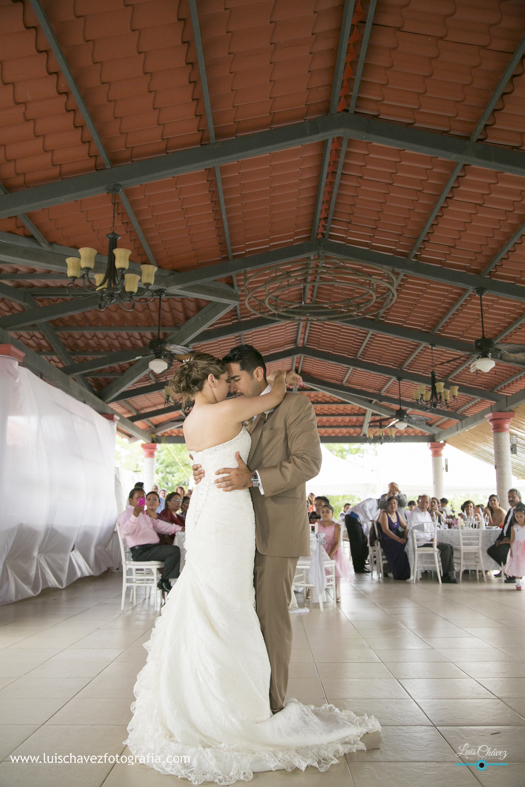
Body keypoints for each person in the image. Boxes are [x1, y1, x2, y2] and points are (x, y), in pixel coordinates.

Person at [125, 351, 379, 782]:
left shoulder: (294, 406)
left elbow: (308, 463)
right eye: (226, 379)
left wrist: (253, 478)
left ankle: (271, 706)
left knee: (270, 617)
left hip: (274, 528)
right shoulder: (233, 410)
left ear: (258, 373)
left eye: (237, 377)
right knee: (232, 612)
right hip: (232, 527)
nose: (232, 384)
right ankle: (234, 703)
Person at [118, 489, 181, 594]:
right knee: (173, 551)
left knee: (173, 550)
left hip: (152, 549)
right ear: (130, 500)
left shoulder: (144, 515)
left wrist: (179, 528)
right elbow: (125, 531)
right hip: (141, 551)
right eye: (138, 498)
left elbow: (158, 525)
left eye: (142, 498)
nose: (141, 500)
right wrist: (134, 516)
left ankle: (166, 581)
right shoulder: (126, 515)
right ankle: (165, 581)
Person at [406, 495, 458, 583]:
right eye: (422, 502)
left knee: (450, 547)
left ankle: (449, 574)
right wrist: (429, 539)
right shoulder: (414, 514)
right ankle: (445, 576)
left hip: (428, 540)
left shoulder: (427, 514)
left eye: (426, 502)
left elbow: (431, 529)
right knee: (446, 548)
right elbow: (413, 531)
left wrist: (434, 538)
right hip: (420, 542)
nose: (424, 504)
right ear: (418, 502)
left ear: (429, 504)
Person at [318, 504, 352, 601]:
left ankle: (337, 592)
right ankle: (312, 589)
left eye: (327, 512)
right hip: (321, 548)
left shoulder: (336, 526)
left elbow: (337, 542)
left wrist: (329, 555)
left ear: (332, 514)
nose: (325, 514)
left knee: (335, 565)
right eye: (323, 512)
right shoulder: (318, 524)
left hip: (333, 549)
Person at [488, 488, 522, 582]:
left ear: (519, 498)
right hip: (507, 538)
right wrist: (499, 540)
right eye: (509, 497)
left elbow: (520, 527)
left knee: (502, 550)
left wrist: (511, 539)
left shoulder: (521, 509)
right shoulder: (511, 510)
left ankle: (514, 574)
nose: (510, 499)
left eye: (513, 497)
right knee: (492, 550)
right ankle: (507, 570)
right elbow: (505, 528)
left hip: (517, 540)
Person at [377, 497, 411, 580]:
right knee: (401, 547)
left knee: (408, 545)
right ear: (387, 505)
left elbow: (405, 526)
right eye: (390, 503)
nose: (393, 505)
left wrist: (406, 531)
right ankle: (399, 573)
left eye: (394, 503)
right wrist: (399, 539)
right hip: (387, 540)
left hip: (395, 538)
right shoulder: (384, 514)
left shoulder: (397, 514)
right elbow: (385, 530)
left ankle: (408, 572)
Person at [346, 497, 378, 573]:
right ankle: (358, 568)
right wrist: (370, 518)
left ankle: (362, 564)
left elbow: (370, 523)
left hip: (360, 522)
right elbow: (365, 506)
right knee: (356, 543)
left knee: (363, 542)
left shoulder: (379, 511)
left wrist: (366, 534)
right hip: (352, 517)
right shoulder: (373, 501)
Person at [504, 502, 525, 590]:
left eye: (521, 516)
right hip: (516, 547)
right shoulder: (514, 527)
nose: (519, 519)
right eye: (517, 517)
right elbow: (512, 539)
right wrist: (512, 550)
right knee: (517, 564)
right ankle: (518, 582)